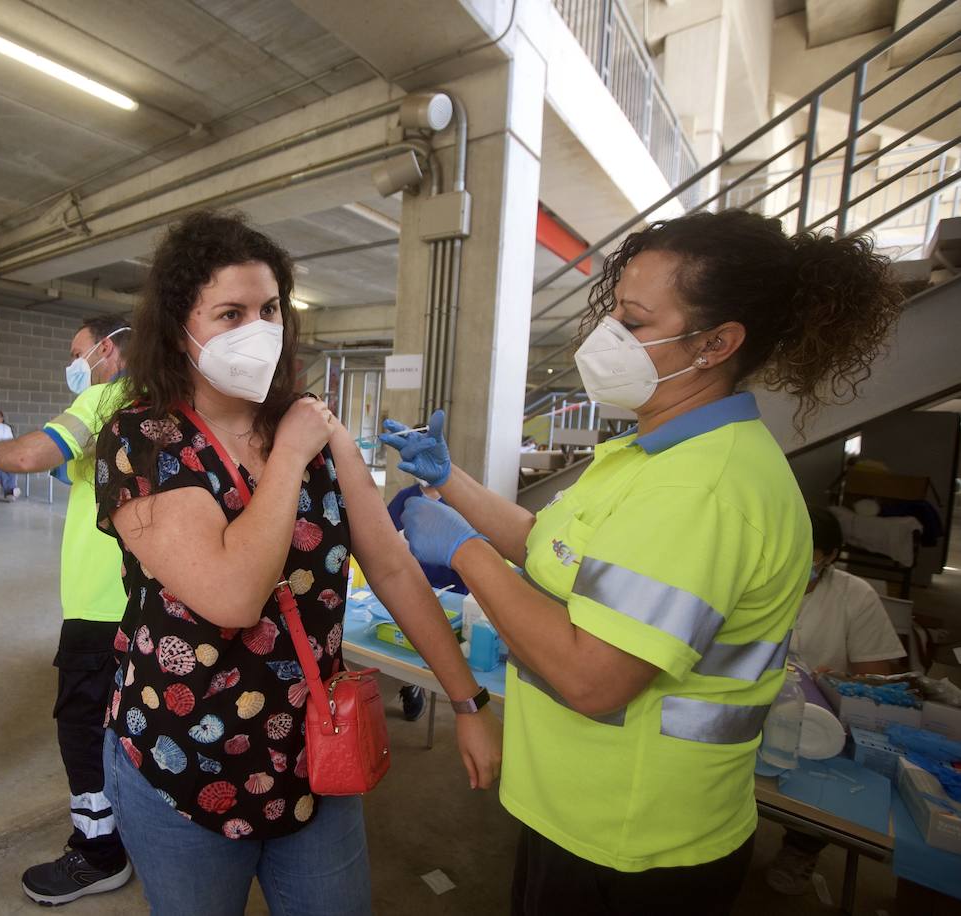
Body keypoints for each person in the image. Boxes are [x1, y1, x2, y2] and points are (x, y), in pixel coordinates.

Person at [383, 209, 903, 915]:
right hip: (581, 811)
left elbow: (593, 679)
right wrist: (450, 480)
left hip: (632, 840)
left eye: (633, 322)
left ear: (717, 343)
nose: (608, 339)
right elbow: (552, 547)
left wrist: (466, 553)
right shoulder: (653, 454)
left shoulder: (704, 489)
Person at [92, 211, 500, 916]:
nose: (259, 329)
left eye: (270, 308)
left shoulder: (313, 427)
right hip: (181, 763)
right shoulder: (144, 439)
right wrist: (288, 455)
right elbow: (231, 597)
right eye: (230, 313)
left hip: (312, 754)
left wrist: (466, 701)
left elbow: (395, 568)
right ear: (179, 328)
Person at [0, 315, 134, 906]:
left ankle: (98, 853)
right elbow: (95, 473)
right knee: (137, 723)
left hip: (101, 605)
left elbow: (35, 453)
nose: (75, 362)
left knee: (83, 727)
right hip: (154, 601)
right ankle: (141, 833)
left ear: (108, 349)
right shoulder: (160, 398)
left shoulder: (105, 392)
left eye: (79, 351)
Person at [765, 506, 905, 895]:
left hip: (822, 721)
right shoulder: (760, 581)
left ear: (828, 556)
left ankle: (800, 848)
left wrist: (837, 683)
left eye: (805, 554)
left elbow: (876, 681)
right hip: (761, 705)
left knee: (824, 787)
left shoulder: (853, 596)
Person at [386, 483, 469, 721]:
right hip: (410, 583)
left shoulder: (457, 497)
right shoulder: (405, 496)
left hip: (450, 590)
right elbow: (384, 536)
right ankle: (410, 685)